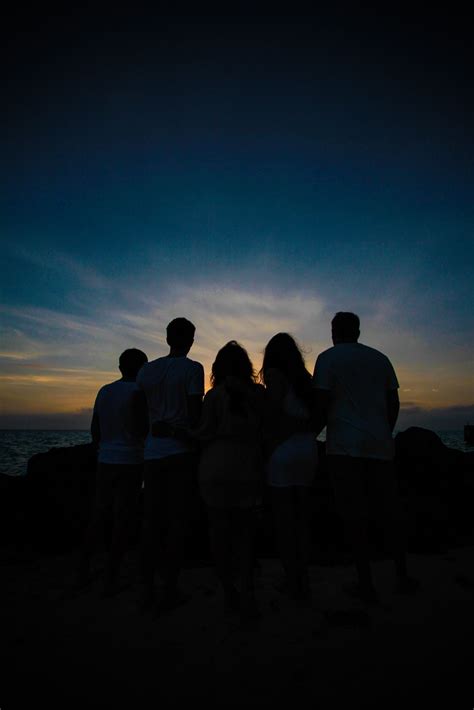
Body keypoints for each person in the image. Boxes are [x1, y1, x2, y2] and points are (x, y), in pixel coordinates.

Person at [312, 311, 417, 603]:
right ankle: (402, 574)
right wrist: (385, 432)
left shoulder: (328, 358)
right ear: (357, 331)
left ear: (334, 331)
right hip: (380, 446)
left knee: (353, 514)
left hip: (344, 447)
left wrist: (309, 435)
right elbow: (392, 402)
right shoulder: (380, 358)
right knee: (389, 512)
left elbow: (321, 402)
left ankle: (366, 582)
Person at [190, 341, 264, 622]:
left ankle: (229, 592)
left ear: (218, 368)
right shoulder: (258, 394)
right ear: (246, 367)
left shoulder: (214, 396)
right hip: (247, 468)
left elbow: (205, 433)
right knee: (245, 536)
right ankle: (248, 590)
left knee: (219, 533)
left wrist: (181, 431)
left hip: (215, 468)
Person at [136, 317, 204, 611]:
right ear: (190, 340)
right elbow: (194, 415)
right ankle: (169, 588)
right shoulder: (193, 369)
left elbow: (139, 414)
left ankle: (148, 588)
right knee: (176, 521)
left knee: (151, 521)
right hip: (180, 452)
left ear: (166, 339)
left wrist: (150, 435)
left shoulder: (146, 370)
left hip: (152, 453)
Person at [77, 348, 148, 597]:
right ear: (143, 368)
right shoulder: (139, 393)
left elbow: (95, 429)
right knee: (123, 519)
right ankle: (111, 576)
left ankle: (84, 569)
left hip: (105, 459)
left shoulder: (104, 391)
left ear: (120, 367)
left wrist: (103, 447)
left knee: (99, 514)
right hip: (130, 459)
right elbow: (141, 430)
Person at [260, 333, 318, 602]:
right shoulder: (306, 379)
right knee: (303, 520)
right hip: (308, 449)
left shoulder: (274, 375)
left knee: (284, 522)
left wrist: (267, 449)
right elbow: (316, 417)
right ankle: (304, 578)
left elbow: (272, 415)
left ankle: (291, 580)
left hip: (283, 451)